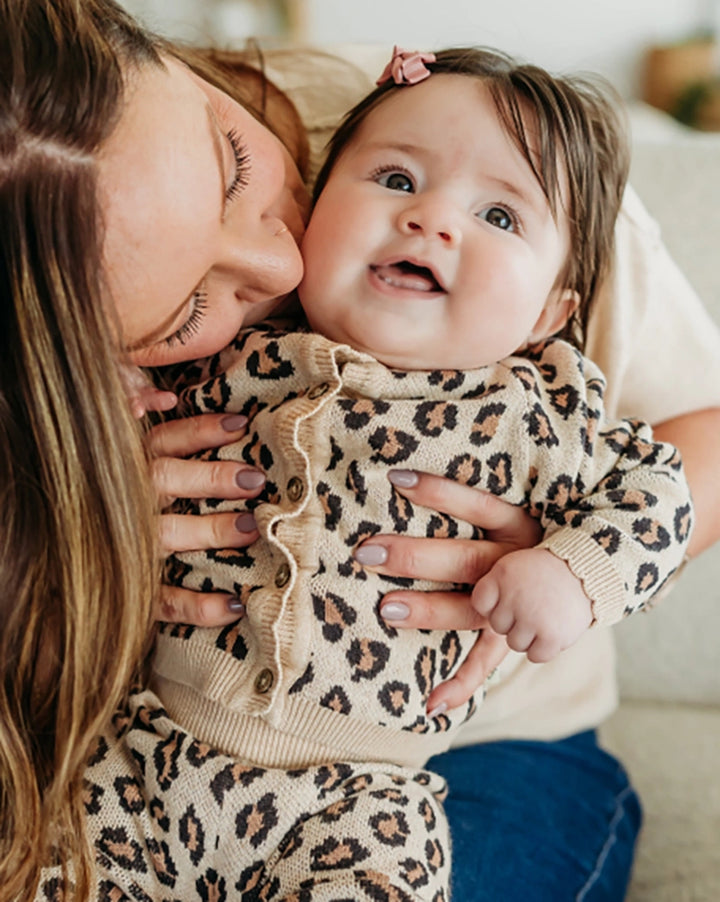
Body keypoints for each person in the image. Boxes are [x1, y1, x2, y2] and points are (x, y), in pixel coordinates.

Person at [0, 2, 718, 900]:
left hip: (426, 768)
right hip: (155, 754)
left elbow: (679, 470)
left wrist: (571, 570)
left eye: (234, 169)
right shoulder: (230, 373)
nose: (278, 269)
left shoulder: (474, 150)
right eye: (187, 309)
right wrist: (80, 510)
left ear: (549, 318)